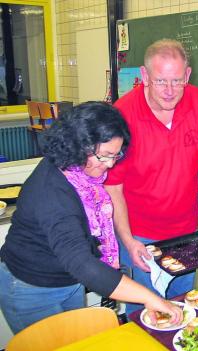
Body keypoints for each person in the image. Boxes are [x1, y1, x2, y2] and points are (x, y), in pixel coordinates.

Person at [0, 102, 182, 334]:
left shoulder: (79, 173)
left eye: (116, 155)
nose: (110, 165)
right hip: (30, 287)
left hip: (68, 281)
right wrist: (149, 297)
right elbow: (81, 262)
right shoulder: (54, 191)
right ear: (78, 144)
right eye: (104, 156)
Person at [105, 39, 198, 315]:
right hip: (139, 235)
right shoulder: (122, 115)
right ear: (144, 76)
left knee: (183, 306)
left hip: (185, 233)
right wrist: (128, 241)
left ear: (187, 75)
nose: (169, 91)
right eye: (160, 81)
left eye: (177, 81)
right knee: (144, 314)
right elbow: (113, 188)